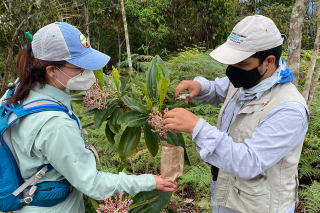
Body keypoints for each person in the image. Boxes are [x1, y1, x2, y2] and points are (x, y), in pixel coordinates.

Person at [4, 22, 177, 213]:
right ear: (51, 70)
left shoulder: (18, 90)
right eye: (78, 68)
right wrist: (149, 181)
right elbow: (93, 183)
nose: (86, 73)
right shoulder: (55, 125)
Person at [163, 15, 309, 213]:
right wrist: (200, 86)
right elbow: (221, 89)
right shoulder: (249, 81)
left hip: (259, 207)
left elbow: (249, 162)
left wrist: (197, 127)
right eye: (232, 63)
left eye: (241, 65)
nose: (233, 71)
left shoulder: (289, 109)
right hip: (229, 194)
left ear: (269, 61)